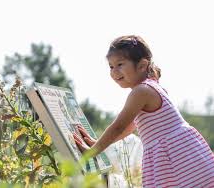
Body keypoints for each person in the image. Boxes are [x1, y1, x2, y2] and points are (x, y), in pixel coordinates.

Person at [73, 35, 214, 187]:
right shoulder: (151, 86)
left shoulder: (141, 91)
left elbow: (118, 126)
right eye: (111, 66)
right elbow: (130, 126)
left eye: (120, 64)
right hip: (183, 153)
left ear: (142, 65)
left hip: (174, 156)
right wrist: (98, 143)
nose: (114, 72)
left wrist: (93, 150)